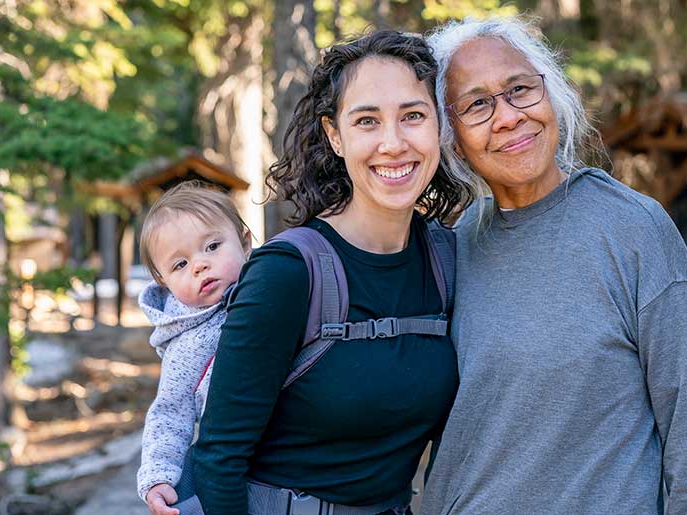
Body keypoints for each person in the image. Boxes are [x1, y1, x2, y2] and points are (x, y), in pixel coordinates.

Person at [420, 17, 687, 515]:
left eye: (520, 89)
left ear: (552, 94)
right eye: (477, 104)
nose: (508, 116)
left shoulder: (635, 231)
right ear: (450, 135)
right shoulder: (458, 244)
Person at [192, 30, 471, 515]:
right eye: (367, 121)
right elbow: (218, 459)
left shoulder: (448, 260)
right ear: (334, 136)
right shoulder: (288, 274)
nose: (393, 143)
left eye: (412, 116)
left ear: (438, 128)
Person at [135, 182, 251, 515]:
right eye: (180, 265)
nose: (199, 265)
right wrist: (158, 477)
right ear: (163, 281)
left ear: (245, 243)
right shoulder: (187, 344)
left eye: (212, 246)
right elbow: (170, 413)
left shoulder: (271, 293)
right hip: (238, 461)